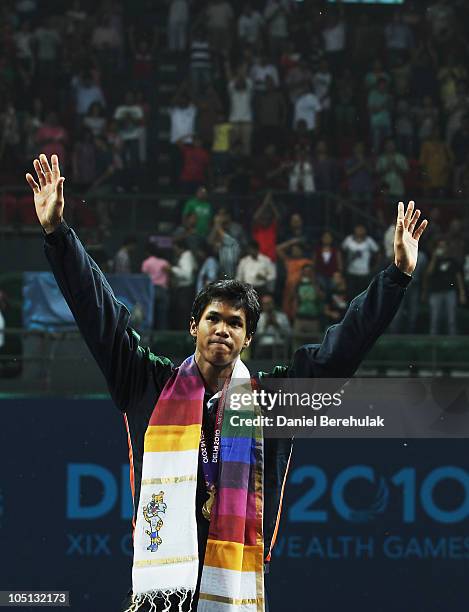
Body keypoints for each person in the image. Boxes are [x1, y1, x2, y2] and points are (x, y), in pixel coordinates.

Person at [26, 154, 427, 612]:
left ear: (248, 337)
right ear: (193, 326)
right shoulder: (148, 383)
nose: (223, 329)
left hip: (232, 590)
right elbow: (98, 313)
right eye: (213, 318)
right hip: (163, 593)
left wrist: (396, 276)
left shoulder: (273, 401)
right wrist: (59, 235)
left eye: (235, 322)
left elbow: (342, 350)